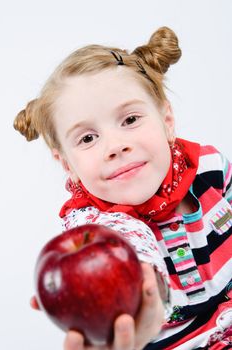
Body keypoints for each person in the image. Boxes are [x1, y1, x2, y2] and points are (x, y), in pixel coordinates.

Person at [14, 26, 232, 350]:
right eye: (87, 138)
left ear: (166, 120)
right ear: (68, 165)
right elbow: (128, 246)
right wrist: (141, 289)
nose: (115, 146)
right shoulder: (93, 225)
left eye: (129, 120)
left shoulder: (208, 167)